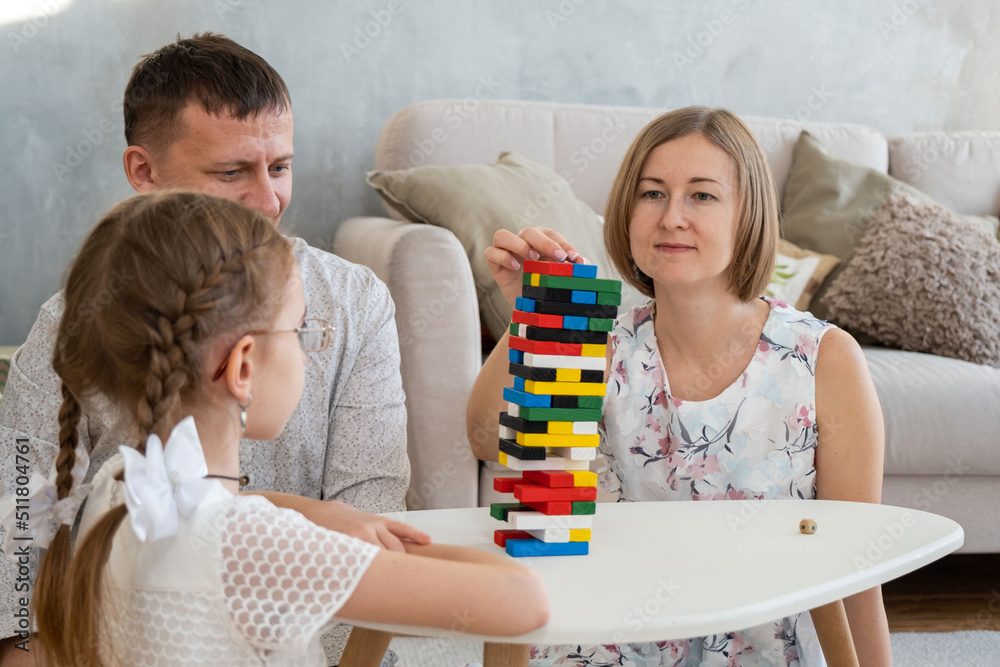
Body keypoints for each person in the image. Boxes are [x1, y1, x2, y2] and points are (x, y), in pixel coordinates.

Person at [0, 34, 413, 665]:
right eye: (231, 173)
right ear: (145, 171)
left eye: (280, 166)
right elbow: (20, 528)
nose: (269, 200)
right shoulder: (69, 325)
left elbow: (369, 514)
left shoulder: (355, 302)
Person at [4, 191, 549, 667]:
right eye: (299, 331)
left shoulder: (123, 487)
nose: (308, 352)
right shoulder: (262, 549)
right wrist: (404, 555)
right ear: (242, 367)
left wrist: (317, 514)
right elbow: (523, 600)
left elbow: (227, 510)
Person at [466, 107, 891, 666]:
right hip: (610, 644)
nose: (671, 218)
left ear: (748, 215)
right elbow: (488, 439)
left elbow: (855, 565)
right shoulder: (599, 343)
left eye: (702, 196)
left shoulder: (824, 360)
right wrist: (533, 317)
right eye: (652, 194)